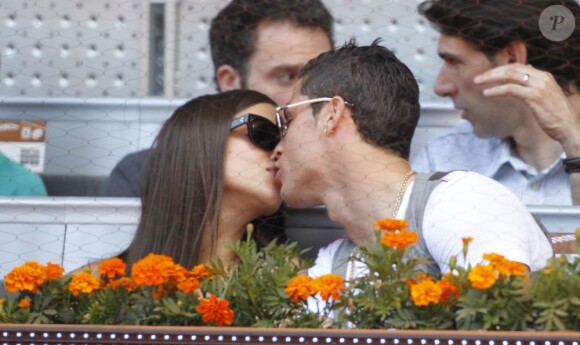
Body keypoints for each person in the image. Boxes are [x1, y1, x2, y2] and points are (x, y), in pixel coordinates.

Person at [272, 39, 553, 282]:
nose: (276, 147)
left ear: (331, 114)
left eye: (287, 119)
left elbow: (495, 338)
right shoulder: (331, 265)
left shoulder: (460, 199)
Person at [103, 0, 333, 197]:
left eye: (321, 74)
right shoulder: (150, 174)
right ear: (230, 81)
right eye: (286, 76)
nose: (312, 95)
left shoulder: (344, 169)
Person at [411, 0, 580, 205]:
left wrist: (575, 146)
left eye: (454, 61)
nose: (441, 88)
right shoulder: (444, 160)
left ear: (511, 59)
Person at [126, 90, 282, 267]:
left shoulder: (293, 282)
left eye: (286, 141)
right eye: (264, 133)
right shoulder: (100, 283)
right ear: (204, 138)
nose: (281, 150)